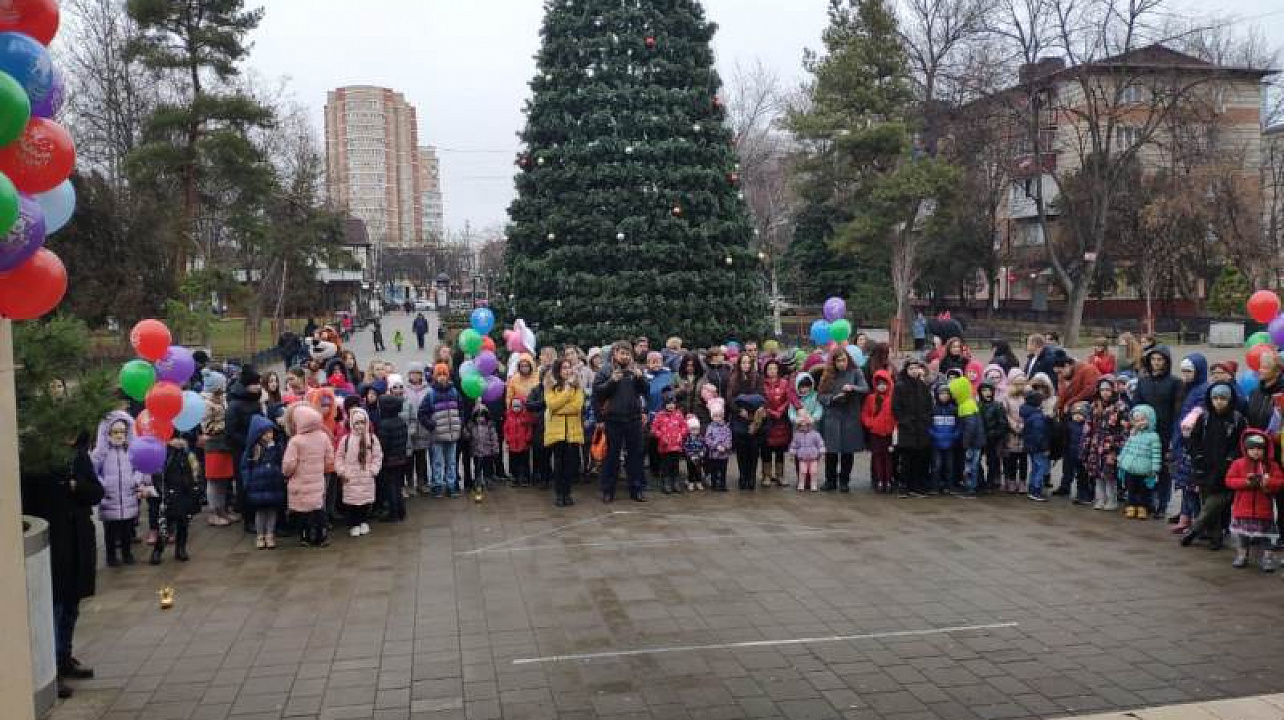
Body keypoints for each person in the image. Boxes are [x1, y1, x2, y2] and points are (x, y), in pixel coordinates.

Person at [21, 431, 104, 697]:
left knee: (72, 602)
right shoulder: (36, 462)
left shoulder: (78, 457)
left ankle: (65, 656)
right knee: (55, 605)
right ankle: (51, 668)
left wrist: (75, 487)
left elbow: (95, 492)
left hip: (78, 536)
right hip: (54, 540)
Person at [1182, 382, 1245, 551]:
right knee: (1208, 501)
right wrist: (1198, 456)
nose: (1219, 402)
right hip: (1205, 466)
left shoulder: (1237, 419)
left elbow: (1241, 443)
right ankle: (1215, 536)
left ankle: (1195, 528)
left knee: (1215, 503)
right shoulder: (1204, 418)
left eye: (1223, 398)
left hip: (1226, 467)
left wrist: (1231, 459)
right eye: (1215, 398)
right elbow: (1194, 439)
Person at [593, 341, 651, 502]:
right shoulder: (605, 370)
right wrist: (612, 381)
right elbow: (598, 394)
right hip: (613, 420)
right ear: (615, 353)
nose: (625, 356)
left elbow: (646, 391)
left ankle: (636, 489)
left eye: (627, 354)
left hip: (634, 419)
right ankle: (607, 491)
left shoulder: (636, 370)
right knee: (611, 457)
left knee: (635, 456)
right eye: (622, 353)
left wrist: (641, 379)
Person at [92, 411, 150, 567]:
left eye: (122, 432)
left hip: (127, 494)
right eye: (115, 432)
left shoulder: (130, 451)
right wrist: (102, 484)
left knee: (127, 527)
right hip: (109, 496)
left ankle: (127, 553)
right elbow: (93, 471)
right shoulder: (100, 453)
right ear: (107, 433)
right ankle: (111, 556)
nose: (119, 435)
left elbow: (140, 467)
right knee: (110, 529)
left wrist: (135, 480)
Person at [1224, 430, 1284, 570]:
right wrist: (1246, 482)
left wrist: (1267, 482)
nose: (1256, 451)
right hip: (1242, 508)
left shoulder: (1271, 465)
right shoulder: (1238, 464)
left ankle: (1267, 558)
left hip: (1264, 510)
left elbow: (1280, 481)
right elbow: (1229, 480)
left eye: (1259, 448)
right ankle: (1242, 555)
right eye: (1252, 448)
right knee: (1243, 536)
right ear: (1246, 449)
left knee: (1266, 537)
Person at [1132, 346, 1181, 520]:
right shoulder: (1143, 381)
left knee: (1163, 469)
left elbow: (1177, 410)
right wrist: (1136, 423)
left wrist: (1175, 436)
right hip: (1145, 431)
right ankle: (1147, 501)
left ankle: (1162, 503)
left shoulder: (1175, 382)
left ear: (1166, 362)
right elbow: (1136, 405)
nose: (1156, 363)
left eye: (1160, 360)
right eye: (1153, 359)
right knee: (1146, 467)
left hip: (1165, 431)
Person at [283, 405, 335, 547]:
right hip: (318, 480)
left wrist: (287, 474)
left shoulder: (295, 441)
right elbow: (330, 458)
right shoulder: (323, 436)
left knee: (302, 510)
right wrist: (320, 468)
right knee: (318, 508)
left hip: (300, 481)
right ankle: (321, 535)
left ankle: (305, 536)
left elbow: (289, 464)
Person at [817, 349, 868, 492]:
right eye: (838, 361)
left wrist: (853, 387)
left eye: (843, 360)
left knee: (847, 450)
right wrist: (832, 398)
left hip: (850, 416)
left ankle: (844, 481)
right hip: (832, 416)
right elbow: (820, 396)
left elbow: (865, 388)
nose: (841, 363)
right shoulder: (827, 375)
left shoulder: (856, 372)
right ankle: (830, 480)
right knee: (831, 451)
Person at [1170, 354, 1209, 529]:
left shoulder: (1203, 389)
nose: (1185, 375)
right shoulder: (1185, 387)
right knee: (1184, 483)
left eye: (1189, 371)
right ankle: (1184, 517)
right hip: (1180, 437)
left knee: (1192, 485)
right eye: (1183, 371)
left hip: (1192, 442)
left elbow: (1198, 414)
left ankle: (1194, 520)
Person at [148, 436, 200, 565]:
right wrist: (163, 492)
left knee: (183, 523)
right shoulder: (165, 455)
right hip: (170, 495)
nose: (179, 441)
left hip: (184, 494)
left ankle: (181, 548)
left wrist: (193, 489)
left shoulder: (185, 454)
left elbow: (192, 473)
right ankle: (158, 550)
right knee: (166, 524)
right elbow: (157, 475)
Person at [544, 358, 586, 507]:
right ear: (558, 371)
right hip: (556, 432)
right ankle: (559, 494)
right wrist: (567, 392)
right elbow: (551, 405)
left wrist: (560, 409)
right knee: (559, 464)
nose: (567, 371)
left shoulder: (577, 387)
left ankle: (567, 493)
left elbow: (576, 407)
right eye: (564, 368)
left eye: (569, 367)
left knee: (570, 465)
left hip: (572, 431)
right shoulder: (551, 387)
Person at [242, 415, 287, 550]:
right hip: (258, 486)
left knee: (272, 511)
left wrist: (281, 476)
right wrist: (247, 482)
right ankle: (260, 535)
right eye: (267, 432)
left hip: (273, 484)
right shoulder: (253, 450)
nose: (270, 435)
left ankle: (270, 534)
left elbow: (281, 462)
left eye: (271, 432)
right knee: (261, 512)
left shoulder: (277, 448)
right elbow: (245, 467)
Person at [1084, 377, 1129, 511]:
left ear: (1113, 390)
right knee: (1097, 474)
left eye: (1108, 389)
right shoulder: (1093, 406)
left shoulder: (1120, 406)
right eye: (1102, 390)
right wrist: (1086, 445)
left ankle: (1111, 499)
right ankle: (1100, 499)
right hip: (1095, 444)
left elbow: (1125, 428)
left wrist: (1119, 445)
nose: (1105, 393)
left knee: (1109, 475)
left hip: (1111, 446)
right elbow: (1088, 426)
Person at [337, 407, 382, 537]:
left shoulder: (372, 439)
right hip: (350, 477)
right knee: (352, 504)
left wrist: (373, 470)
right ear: (352, 423)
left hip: (366, 476)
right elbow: (339, 456)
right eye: (357, 423)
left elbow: (377, 456)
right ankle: (354, 524)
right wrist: (342, 471)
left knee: (365, 502)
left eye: (362, 422)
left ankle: (363, 521)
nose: (360, 426)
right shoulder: (346, 439)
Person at [200, 372, 237, 527]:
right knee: (214, 480)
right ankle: (213, 512)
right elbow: (206, 427)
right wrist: (226, 425)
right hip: (213, 444)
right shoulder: (205, 403)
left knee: (223, 479)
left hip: (223, 443)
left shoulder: (220, 399)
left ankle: (222, 510)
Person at [420, 364, 463, 498]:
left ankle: (451, 486)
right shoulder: (431, 394)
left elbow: (461, 409)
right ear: (435, 377)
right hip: (438, 435)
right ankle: (437, 485)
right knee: (437, 462)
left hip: (452, 434)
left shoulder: (454, 392)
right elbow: (422, 413)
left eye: (444, 374)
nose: (442, 377)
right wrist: (431, 425)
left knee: (451, 462)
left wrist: (459, 422)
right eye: (439, 375)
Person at [893, 359, 932, 498]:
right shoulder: (900, 386)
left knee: (919, 458)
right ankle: (903, 485)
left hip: (921, 429)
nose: (914, 370)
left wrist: (926, 421)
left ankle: (916, 486)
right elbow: (896, 408)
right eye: (911, 368)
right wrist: (905, 422)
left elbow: (929, 405)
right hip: (907, 429)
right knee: (906, 459)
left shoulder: (922, 385)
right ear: (906, 370)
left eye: (916, 368)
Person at [1119, 405, 1163, 519]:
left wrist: (1155, 468)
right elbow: (1126, 448)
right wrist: (1121, 460)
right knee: (1131, 489)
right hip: (1130, 467)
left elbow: (1156, 453)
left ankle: (1142, 507)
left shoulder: (1153, 436)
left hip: (1145, 469)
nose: (1140, 423)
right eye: (1137, 421)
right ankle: (1131, 506)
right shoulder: (1133, 434)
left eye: (1143, 420)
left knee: (1144, 491)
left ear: (1150, 419)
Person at [759, 359, 795, 488]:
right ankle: (766, 475)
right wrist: (769, 411)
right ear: (765, 370)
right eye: (770, 369)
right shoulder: (761, 384)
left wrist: (780, 410)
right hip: (767, 421)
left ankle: (780, 475)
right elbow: (760, 400)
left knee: (780, 449)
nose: (772, 371)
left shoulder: (785, 383)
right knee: (766, 449)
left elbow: (789, 398)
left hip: (782, 420)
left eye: (774, 368)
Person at [862, 370, 896, 494]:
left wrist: (894, 428)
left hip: (888, 433)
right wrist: (870, 423)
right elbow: (865, 413)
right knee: (877, 457)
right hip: (875, 433)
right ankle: (879, 479)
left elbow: (895, 415)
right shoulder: (871, 398)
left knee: (888, 459)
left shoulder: (893, 398)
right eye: (879, 384)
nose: (882, 386)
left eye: (884, 383)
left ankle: (888, 479)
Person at [377, 393, 410, 517]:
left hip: (389, 461)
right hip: (400, 458)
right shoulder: (400, 421)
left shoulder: (384, 424)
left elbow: (383, 445)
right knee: (397, 485)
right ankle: (401, 510)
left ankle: (393, 512)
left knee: (390, 486)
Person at [951, 376, 984, 498]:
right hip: (975, 441)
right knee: (972, 465)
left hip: (972, 443)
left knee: (970, 466)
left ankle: (970, 488)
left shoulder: (966, 406)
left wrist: (966, 442)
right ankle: (972, 486)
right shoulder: (969, 403)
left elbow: (970, 426)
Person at [403, 362, 433, 494]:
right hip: (409, 430)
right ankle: (410, 483)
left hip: (423, 429)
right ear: (409, 375)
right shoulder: (404, 389)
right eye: (412, 373)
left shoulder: (428, 390)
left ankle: (422, 482)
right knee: (409, 459)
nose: (415, 376)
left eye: (418, 373)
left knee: (421, 458)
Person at [651, 389, 688, 494]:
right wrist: (662, 436)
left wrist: (681, 434)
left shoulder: (679, 414)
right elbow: (654, 429)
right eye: (668, 404)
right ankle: (666, 483)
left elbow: (684, 427)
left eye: (673, 404)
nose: (671, 406)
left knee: (675, 465)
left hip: (676, 446)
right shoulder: (660, 415)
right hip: (665, 446)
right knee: (666, 465)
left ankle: (676, 482)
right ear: (664, 404)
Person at [978, 381, 1009, 493]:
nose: (987, 393)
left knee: (992, 462)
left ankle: (991, 482)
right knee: (976, 460)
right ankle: (980, 481)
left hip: (993, 439)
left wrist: (994, 434)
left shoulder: (997, 406)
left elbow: (1003, 423)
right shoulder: (977, 405)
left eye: (989, 390)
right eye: (984, 390)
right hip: (980, 438)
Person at [1020, 388, 1050, 502]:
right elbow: (1040, 434)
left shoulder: (1028, 413)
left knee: (1035, 467)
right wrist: (1045, 448)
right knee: (1041, 467)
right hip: (1038, 447)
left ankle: (1032, 488)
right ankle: (1036, 490)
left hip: (1031, 446)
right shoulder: (1037, 416)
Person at [929, 383, 959, 495]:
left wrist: (955, 435)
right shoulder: (933, 409)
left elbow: (958, 425)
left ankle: (949, 486)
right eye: (941, 393)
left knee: (949, 466)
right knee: (936, 466)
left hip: (950, 443)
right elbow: (928, 426)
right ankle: (935, 486)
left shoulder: (954, 410)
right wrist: (934, 435)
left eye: (946, 394)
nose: (944, 396)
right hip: (936, 443)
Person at [467, 406, 500, 498]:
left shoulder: (490, 426)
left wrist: (495, 449)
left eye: (482, 416)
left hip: (487, 452)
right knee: (477, 468)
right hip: (476, 452)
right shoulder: (472, 426)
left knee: (487, 468)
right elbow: (469, 438)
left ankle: (488, 480)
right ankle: (478, 482)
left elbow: (494, 438)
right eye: (477, 416)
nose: (480, 418)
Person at [789, 411, 825, 492]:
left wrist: (822, 453)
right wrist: (792, 454)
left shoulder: (815, 434)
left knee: (814, 472)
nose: (803, 427)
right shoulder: (797, 435)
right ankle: (801, 484)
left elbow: (820, 444)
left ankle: (813, 484)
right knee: (802, 471)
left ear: (810, 425)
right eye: (801, 426)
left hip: (813, 458)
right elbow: (794, 445)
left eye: (806, 425)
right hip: (802, 458)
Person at [703, 401, 733, 492]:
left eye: (719, 416)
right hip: (714, 454)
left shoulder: (726, 427)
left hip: (724, 454)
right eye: (715, 416)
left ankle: (723, 484)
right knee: (714, 471)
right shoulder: (710, 427)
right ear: (712, 417)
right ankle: (714, 484)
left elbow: (729, 437)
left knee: (723, 470)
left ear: (723, 416)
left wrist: (726, 446)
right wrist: (716, 446)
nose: (718, 418)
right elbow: (707, 439)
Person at [682, 416, 706, 492]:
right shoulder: (688, 438)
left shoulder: (701, 438)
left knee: (698, 470)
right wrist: (691, 455)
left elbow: (704, 446)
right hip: (690, 458)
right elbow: (686, 448)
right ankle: (691, 482)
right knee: (691, 470)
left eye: (696, 429)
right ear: (689, 430)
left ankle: (699, 482)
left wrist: (702, 452)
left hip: (699, 457)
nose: (695, 431)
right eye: (693, 429)